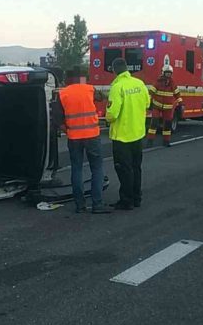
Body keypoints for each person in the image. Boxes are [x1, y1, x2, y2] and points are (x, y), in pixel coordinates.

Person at [54, 69, 112, 214]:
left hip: (74, 137)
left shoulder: (62, 94)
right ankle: (97, 204)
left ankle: (80, 205)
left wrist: (68, 130)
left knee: (77, 169)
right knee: (97, 168)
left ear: (68, 79)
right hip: (92, 135)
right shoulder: (90, 89)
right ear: (81, 78)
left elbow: (57, 119)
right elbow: (104, 98)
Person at [105, 58, 151, 210]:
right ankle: (137, 197)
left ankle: (126, 200)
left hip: (122, 136)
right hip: (137, 133)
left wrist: (107, 117)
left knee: (124, 170)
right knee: (136, 167)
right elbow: (147, 103)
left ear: (114, 70)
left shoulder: (117, 87)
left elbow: (112, 114)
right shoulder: (139, 83)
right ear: (127, 69)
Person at [147, 63, 183, 147]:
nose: (168, 75)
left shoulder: (172, 83)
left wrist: (180, 103)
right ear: (163, 73)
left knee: (167, 125)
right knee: (154, 123)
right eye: (167, 73)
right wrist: (148, 103)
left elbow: (177, 94)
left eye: (169, 73)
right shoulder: (158, 82)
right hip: (157, 106)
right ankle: (150, 141)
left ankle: (166, 141)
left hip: (168, 108)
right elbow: (151, 92)